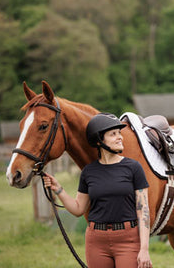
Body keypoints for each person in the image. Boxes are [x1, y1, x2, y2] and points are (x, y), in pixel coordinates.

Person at [44, 113, 153, 267]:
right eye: (113, 134)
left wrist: (144, 249)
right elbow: (78, 209)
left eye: (119, 133)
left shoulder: (134, 168)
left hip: (128, 239)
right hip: (96, 241)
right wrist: (58, 189)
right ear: (99, 140)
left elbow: (143, 211)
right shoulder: (88, 172)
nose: (120, 137)